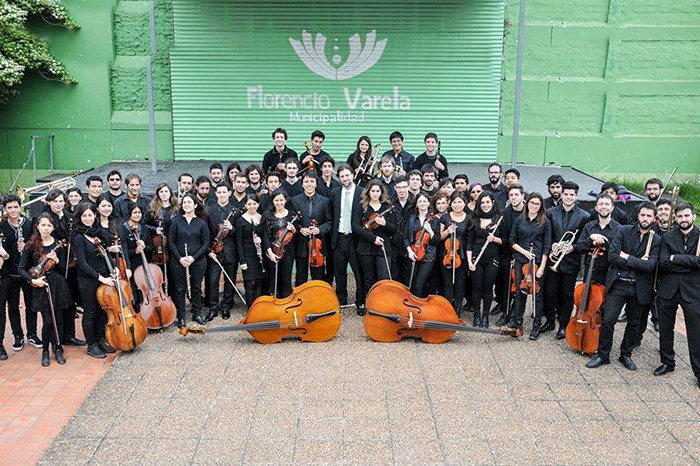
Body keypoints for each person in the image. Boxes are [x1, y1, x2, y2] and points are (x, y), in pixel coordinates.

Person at [586, 201, 661, 371]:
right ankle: (603, 355)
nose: (645, 218)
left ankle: (625, 355)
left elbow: (650, 266)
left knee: (634, 323)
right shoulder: (624, 230)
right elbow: (612, 256)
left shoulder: (656, 239)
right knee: (608, 320)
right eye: (643, 215)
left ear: (654, 219)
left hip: (639, 287)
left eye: (649, 216)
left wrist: (626, 257)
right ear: (638, 215)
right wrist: (637, 262)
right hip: (619, 283)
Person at [655, 203, 700, 387]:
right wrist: (692, 262)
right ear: (676, 218)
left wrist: (677, 258)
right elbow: (664, 263)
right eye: (680, 216)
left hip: (693, 291)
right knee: (665, 328)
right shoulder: (667, 236)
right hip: (668, 289)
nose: (683, 219)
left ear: (694, 216)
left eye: (686, 216)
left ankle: (698, 371)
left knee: (696, 332)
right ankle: (667, 362)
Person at [539, 181, 590, 340]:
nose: (568, 197)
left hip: (571, 262)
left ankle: (563, 324)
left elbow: (585, 241)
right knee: (549, 293)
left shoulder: (585, 216)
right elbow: (546, 234)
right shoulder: (551, 212)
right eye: (565, 194)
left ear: (576, 196)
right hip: (553, 260)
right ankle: (549, 321)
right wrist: (553, 243)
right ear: (561, 194)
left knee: (567, 295)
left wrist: (573, 248)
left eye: (571, 195)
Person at [19, 214, 71, 366]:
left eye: (49, 225)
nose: (46, 228)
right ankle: (45, 351)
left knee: (58, 319)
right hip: (41, 284)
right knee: (48, 321)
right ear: (38, 226)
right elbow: (21, 269)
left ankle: (58, 348)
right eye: (43, 225)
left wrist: (58, 261)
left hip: (57, 285)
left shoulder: (58, 245)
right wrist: (33, 280)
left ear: (53, 227)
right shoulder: (31, 245)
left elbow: (63, 271)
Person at [70, 202, 116, 358]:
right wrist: (101, 277)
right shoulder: (78, 237)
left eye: (90, 215)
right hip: (88, 280)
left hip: (104, 277)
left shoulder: (98, 233)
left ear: (95, 215)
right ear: (79, 217)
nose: (88, 218)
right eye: (84, 215)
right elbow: (82, 264)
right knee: (90, 312)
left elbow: (106, 254)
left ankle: (101, 339)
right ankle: (92, 344)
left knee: (102, 311)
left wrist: (113, 270)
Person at [504, 192, 552, 337]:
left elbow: (547, 246)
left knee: (537, 295)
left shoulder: (545, 222)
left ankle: (536, 326)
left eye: (537, 204)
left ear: (541, 206)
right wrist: (524, 252)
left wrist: (542, 267)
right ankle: (518, 322)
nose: (534, 206)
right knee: (520, 292)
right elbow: (512, 241)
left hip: (537, 263)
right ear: (527, 203)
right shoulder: (520, 220)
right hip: (521, 260)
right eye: (532, 203)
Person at [43, 189, 84, 346]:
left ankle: (70, 335)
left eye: (61, 201)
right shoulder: (46, 219)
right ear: (49, 202)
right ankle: (57, 338)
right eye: (55, 201)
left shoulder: (69, 217)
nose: (59, 204)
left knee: (71, 301)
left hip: (71, 263)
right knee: (58, 304)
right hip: (55, 265)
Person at [0, 194, 40, 353]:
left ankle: (32, 333)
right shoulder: (2, 226)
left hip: (27, 270)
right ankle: (18, 335)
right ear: (5, 209)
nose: (13, 210)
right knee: (13, 306)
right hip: (10, 272)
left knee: (31, 305)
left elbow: (37, 245)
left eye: (16, 207)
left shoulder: (29, 224)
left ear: (20, 207)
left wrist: (28, 248)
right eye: (9, 208)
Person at [168, 193, 210, 328]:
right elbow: (171, 242)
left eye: (189, 202)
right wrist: (180, 258)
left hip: (197, 261)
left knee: (197, 287)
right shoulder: (176, 222)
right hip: (178, 261)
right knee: (180, 289)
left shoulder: (202, 223)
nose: (186, 204)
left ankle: (197, 313)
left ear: (195, 205)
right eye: (184, 202)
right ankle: (181, 317)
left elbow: (205, 243)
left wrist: (193, 257)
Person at [352, 180, 397, 296]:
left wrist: (384, 223)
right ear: (368, 192)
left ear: (382, 192)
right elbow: (356, 227)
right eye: (373, 191)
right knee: (368, 278)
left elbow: (394, 229)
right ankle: (370, 304)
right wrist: (373, 238)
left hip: (383, 247)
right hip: (366, 247)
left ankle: (382, 305)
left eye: (378, 191)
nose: (375, 193)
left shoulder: (387, 207)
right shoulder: (362, 206)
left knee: (384, 278)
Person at [467, 192, 505, 328]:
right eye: (482, 202)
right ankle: (476, 316)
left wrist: (494, 239)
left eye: (488, 202)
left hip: (492, 259)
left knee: (488, 288)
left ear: (493, 202)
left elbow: (505, 241)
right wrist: (470, 262)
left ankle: (485, 316)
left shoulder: (499, 219)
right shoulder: (474, 220)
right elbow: (469, 243)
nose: (485, 205)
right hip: (476, 258)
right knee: (476, 288)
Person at [330, 165, 364, 313]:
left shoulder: (362, 192)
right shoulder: (335, 193)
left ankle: (360, 301)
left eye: (347, 175)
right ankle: (341, 300)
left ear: (353, 174)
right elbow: (333, 215)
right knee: (339, 271)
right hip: (339, 237)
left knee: (358, 271)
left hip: (355, 238)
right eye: (342, 176)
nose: (345, 178)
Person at [291, 172, 332, 285]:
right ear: (302, 184)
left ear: (316, 184)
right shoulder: (294, 201)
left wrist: (320, 229)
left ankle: (317, 300)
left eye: (312, 181)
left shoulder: (325, 201)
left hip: (318, 244)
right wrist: (300, 229)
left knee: (318, 276)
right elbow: (291, 221)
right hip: (301, 243)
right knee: (300, 276)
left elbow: (329, 222)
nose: (309, 184)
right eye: (306, 181)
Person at [494, 184, 526, 327]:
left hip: (524, 254)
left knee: (520, 286)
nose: (513, 198)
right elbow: (503, 236)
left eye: (516, 195)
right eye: (511, 195)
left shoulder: (528, 212)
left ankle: (516, 313)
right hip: (507, 252)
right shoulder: (504, 213)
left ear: (522, 196)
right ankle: (506, 311)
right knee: (506, 285)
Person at [206, 182, 239, 321]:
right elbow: (206, 233)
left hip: (230, 251)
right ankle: (213, 309)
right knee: (213, 281)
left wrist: (231, 228)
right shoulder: (209, 210)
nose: (221, 195)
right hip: (215, 251)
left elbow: (240, 234)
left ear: (229, 193)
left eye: (224, 192)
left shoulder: (236, 211)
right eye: (219, 192)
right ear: (216, 194)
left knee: (229, 280)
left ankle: (226, 307)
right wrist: (209, 250)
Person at [439, 192, 470, 314]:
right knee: (447, 283)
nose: (457, 205)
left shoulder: (469, 218)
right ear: (450, 204)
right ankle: (447, 309)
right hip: (446, 254)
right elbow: (439, 237)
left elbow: (470, 239)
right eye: (454, 202)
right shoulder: (445, 218)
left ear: (464, 203)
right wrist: (448, 231)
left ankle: (457, 308)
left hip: (460, 254)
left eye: (459, 202)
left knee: (460, 283)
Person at [263, 189, 297, 299]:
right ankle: (274, 304)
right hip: (272, 251)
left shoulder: (292, 215)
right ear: (272, 201)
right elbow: (265, 236)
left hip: (288, 252)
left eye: (281, 200)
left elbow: (296, 236)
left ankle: (286, 303)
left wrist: (294, 230)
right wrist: (270, 253)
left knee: (286, 278)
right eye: (276, 200)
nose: (279, 203)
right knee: (273, 278)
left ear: (285, 200)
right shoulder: (268, 215)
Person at [405, 193, 440, 298]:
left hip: (428, 256)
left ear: (429, 203)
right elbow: (405, 237)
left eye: (425, 201)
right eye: (420, 201)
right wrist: (409, 251)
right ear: (416, 204)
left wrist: (429, 230)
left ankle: (418, 309)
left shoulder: (434, 220)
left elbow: (436, 240)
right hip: (414, 253)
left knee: (419, 284)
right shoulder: (411, 219)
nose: (422, 203)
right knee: (412, 282)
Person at [119, 203, 153, 309]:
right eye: (135, 212)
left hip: (144, 264)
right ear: (129, 213)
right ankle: (136, 308)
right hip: (131, 264)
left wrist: (144, 246)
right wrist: (135, 251)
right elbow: (123, 251)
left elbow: (151, 248)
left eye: (139, 212)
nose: (137, 215)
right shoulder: (123, 228)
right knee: (134, 287)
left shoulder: (144, 229)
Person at [236, 194, 266, 307]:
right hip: (247, 256)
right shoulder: (240, 220)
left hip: (260, 255)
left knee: (259, 282)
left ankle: (259, 308)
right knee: (250, 283)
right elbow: (238, 242)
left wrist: (261, 240)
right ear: (245, 205)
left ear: (258, 204)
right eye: (249, 204)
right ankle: (251, 308)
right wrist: (242, 261)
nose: (252, 206)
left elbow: (267, 237)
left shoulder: (262, 218)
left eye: (254, 203)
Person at [390, 176, 415, 285]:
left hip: (410, 243)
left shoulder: (415, 202)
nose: (401, 190)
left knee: (408, 275)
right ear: (395, 188)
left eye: (404, 187)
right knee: (395, 275)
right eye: (399, 187)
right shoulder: (390, 201)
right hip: (394, 243)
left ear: (408, 187)